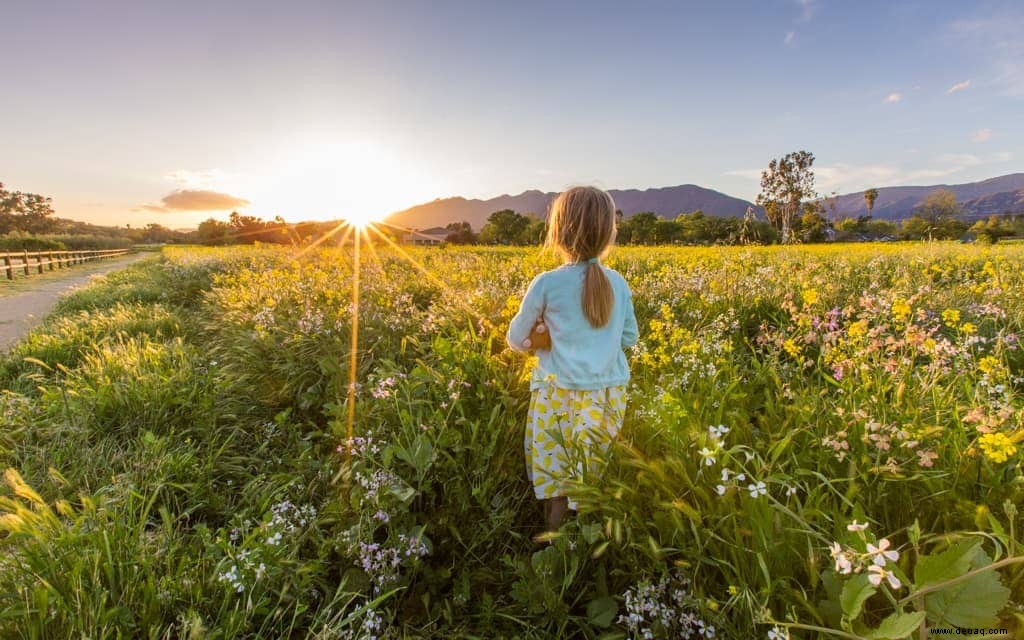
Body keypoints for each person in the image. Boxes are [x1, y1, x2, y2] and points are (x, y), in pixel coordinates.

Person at [506, 186, 639, 535]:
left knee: (557, 484)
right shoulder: (619, 284)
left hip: (557, 396)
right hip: (606, 396)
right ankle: (588, 548)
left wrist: (540, 339)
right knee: (588, 478)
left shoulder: (547, 284)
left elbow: (515, 340)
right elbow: (629, 339)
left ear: (558, 231)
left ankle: (554, 553)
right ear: (609, 231)